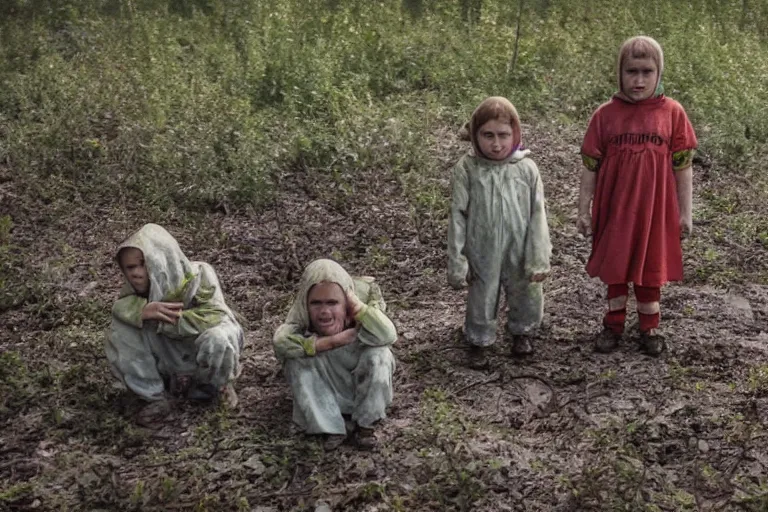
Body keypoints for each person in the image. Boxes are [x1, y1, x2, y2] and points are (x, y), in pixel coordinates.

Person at [577, 36, 697, 356]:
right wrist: (582, 209)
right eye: (632, 71)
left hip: (655, 209)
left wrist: (685, 212)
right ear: (620, 72)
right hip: (614, 208)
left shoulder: (672, 113)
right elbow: (590, 165)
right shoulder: (605, 116)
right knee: (616, 264)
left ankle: (649, 327)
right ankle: (613, 324)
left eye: (647, 71)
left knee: (650, 265)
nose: (639, 80)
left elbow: (683, 167)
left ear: (659, 73)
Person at [105, 223, 244, 426]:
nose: (136, 273)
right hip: (171, 363)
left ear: (162, 258)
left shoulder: (200, 275)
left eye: (144, 263)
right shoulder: (132, 296)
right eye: (130, 267)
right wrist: (141, 311)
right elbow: (119, 309)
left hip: (199, 353)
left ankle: (216, 386)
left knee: (219, 336)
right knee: (122, 329)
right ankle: (155, 396)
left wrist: (170, 321)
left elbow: (216, 314)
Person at [447, 96, 552, 367]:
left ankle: (522, 332)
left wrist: (538, 256)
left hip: (519, 245)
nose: (496, 144)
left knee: (525, 288)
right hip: (482, 246)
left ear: (515, 133)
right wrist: (458, 260)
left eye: (503, 135)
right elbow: (458, 215)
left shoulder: (526, 169)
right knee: (483, 293)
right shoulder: (468, 169)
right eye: (487, 135)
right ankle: (480, 339)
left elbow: (537, 214)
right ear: (474, 135)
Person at [273, 259, 397, 450]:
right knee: (295, 360)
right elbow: (281, 341)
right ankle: (331, 426)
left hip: (358, 374)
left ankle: (366, 424)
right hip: (327, 374)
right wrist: (332, 341)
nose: (324, 312)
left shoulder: (361, 303)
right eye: (316, 303)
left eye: (332, 303)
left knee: (380, 355)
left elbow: (388, 334)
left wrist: (359, 309)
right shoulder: (301, 313)